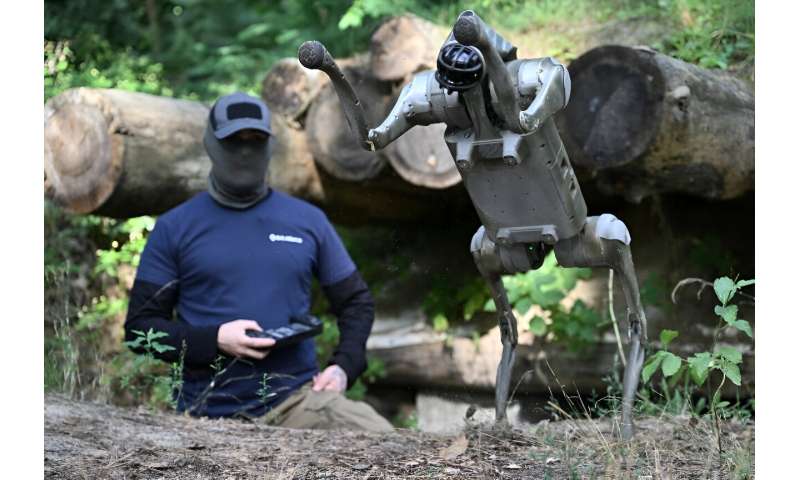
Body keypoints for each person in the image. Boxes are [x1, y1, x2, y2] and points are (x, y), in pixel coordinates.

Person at [124, 92, 392, 432]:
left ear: (269, 146)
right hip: (205, 413)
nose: (245, 151)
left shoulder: (307, 221)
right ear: (211, 144)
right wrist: (214, 340)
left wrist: (344, 367)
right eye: (234, 140)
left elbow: (356, 302)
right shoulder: (175, 227)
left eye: (255, 140)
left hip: (296, 402)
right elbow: (139, 330)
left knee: (381, 438)